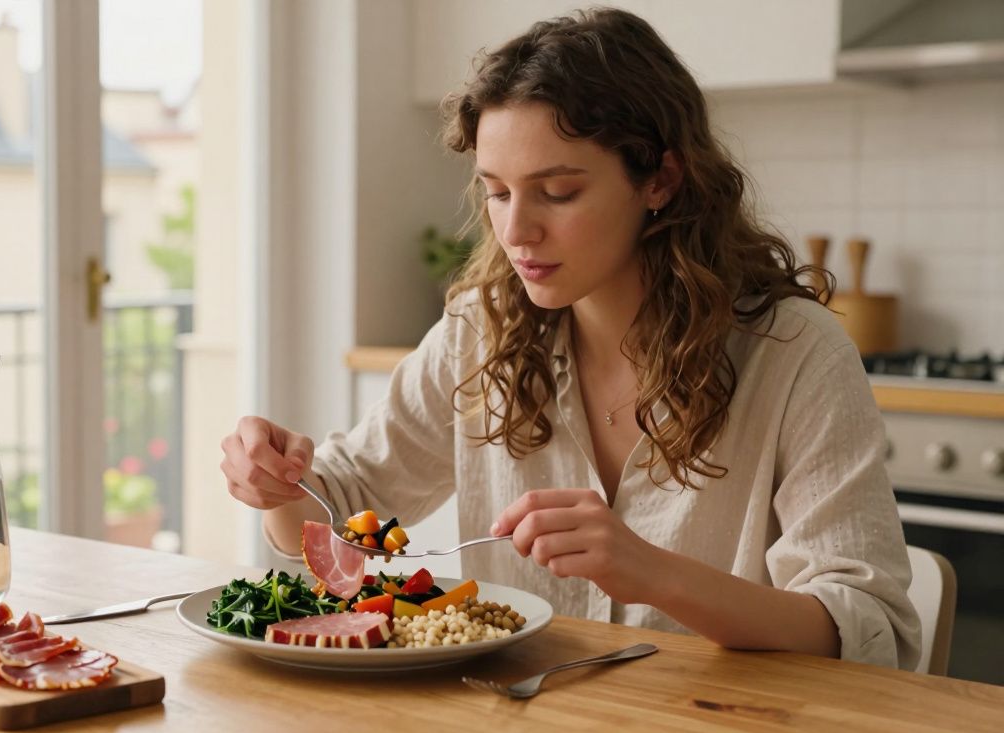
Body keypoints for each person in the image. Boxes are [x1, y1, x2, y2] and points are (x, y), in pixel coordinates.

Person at [219, 8, 919, 669]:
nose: (517, 231)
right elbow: (335, 516)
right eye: (497, 192)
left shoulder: (796, 354)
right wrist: (278, 483)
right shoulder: (478, 333)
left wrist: (651, 571)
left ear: (661, 180)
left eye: (557, 193)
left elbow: (866, 630)